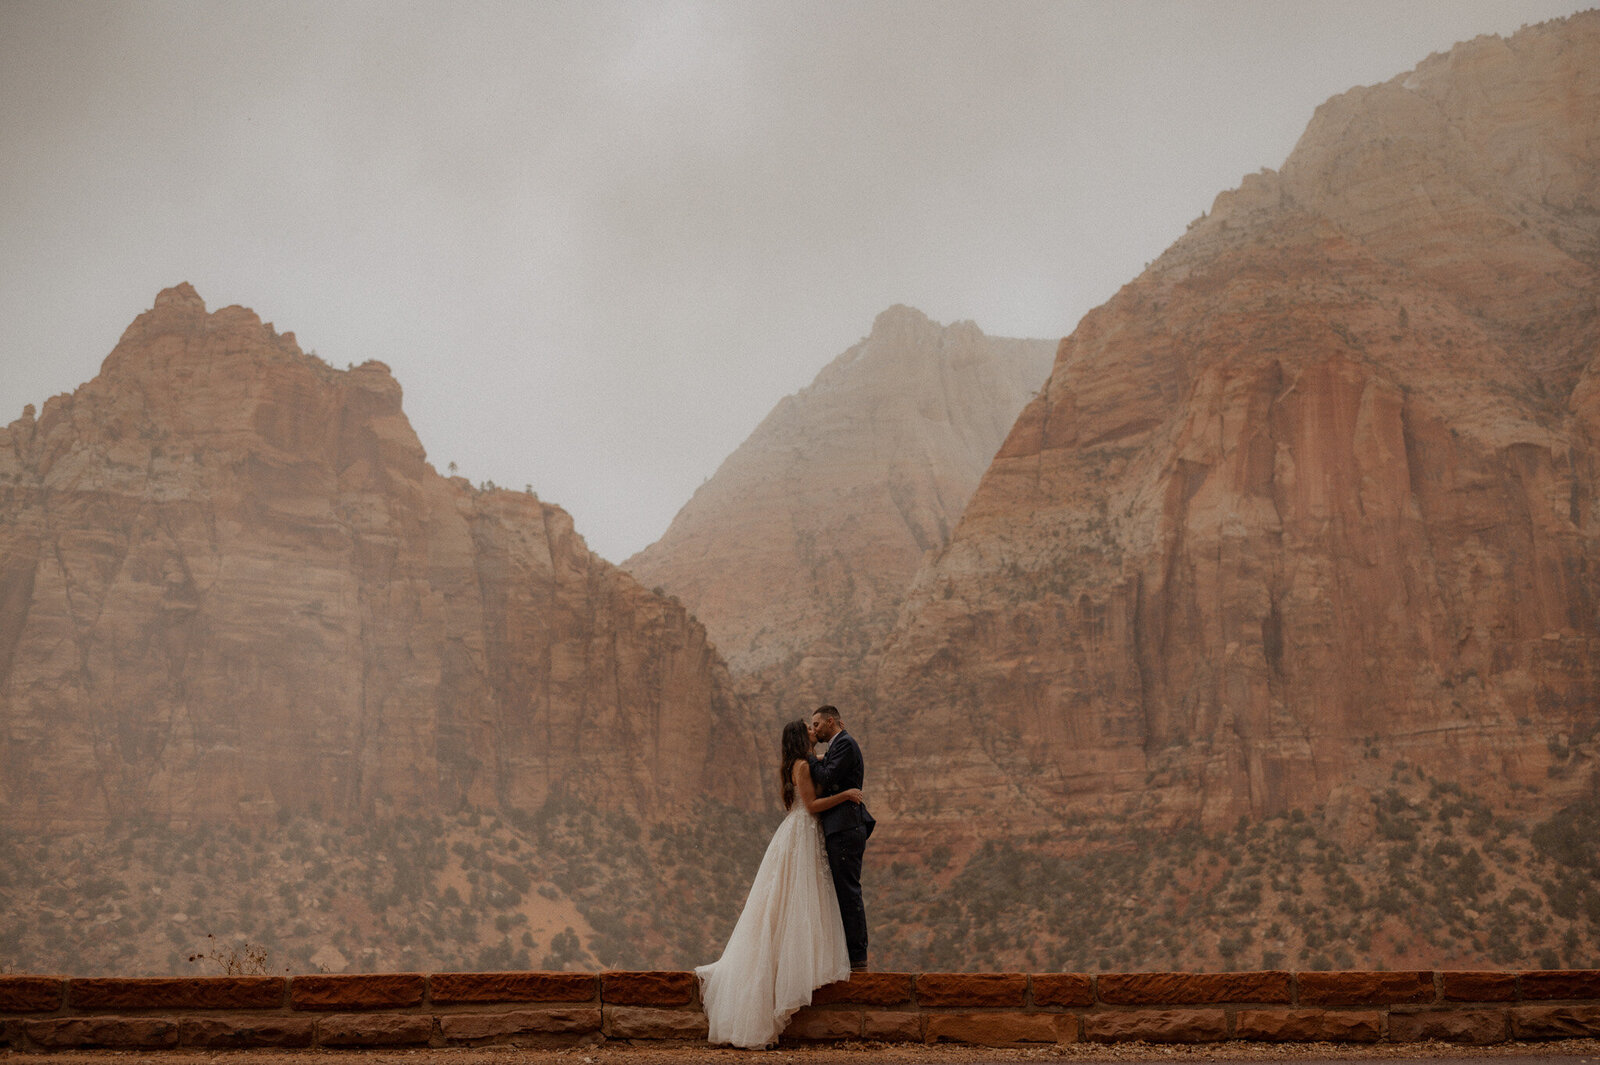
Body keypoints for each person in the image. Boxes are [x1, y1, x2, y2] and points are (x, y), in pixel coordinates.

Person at [695, 719, 867, 1049]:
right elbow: (813, 805)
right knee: (795, 901)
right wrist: (845, 795)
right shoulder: (802, 765)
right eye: (809, 728)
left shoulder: (801, 762)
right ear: (800, 737)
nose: (813, 730)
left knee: (796, 901)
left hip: (801, 832)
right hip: (802, 832)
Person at [807, 704, 874, 970]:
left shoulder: (845, 744)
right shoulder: (839, 746)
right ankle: (849, 956)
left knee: (848, 891)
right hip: (841, 827)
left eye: (817, 725)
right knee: (842, 891)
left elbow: (826, 775)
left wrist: (810, 755)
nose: (814, 730)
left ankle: (857, 958)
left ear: (831, 721)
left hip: (846, 828)